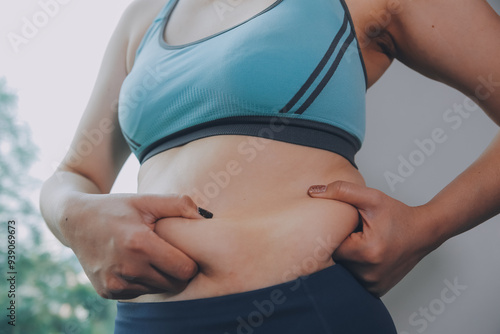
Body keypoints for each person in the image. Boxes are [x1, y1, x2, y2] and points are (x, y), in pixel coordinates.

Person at [39, 0, 500, 332]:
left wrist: (427, 226)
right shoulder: (144, 16)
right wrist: (75, 217)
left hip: (305, 311)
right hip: (147, 322)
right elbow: (75, 174)